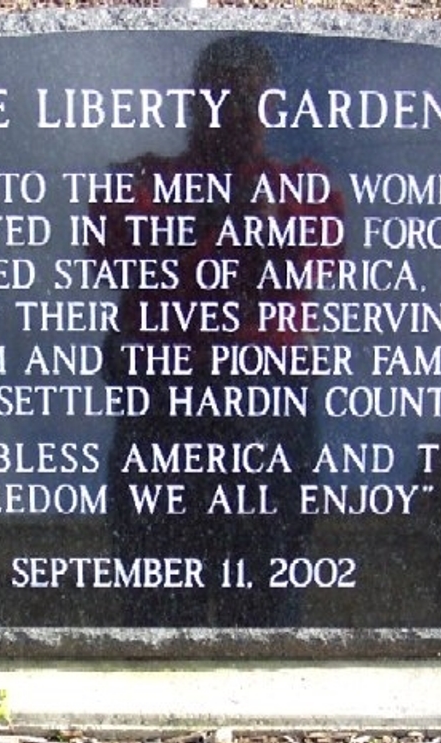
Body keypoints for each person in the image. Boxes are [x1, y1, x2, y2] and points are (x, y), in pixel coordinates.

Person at [91, 35, 345, 627]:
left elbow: (313, 258)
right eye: (222, 95)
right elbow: (113, 243)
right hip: (161, 411)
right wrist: (209, 210)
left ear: (272, 107)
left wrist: (259, 219)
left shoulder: (301, 188)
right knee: (155, 611)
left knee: (265, 609)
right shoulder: (141, 184)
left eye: (249, 98)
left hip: (268, 415)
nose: (234, 112)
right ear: (194, 101)